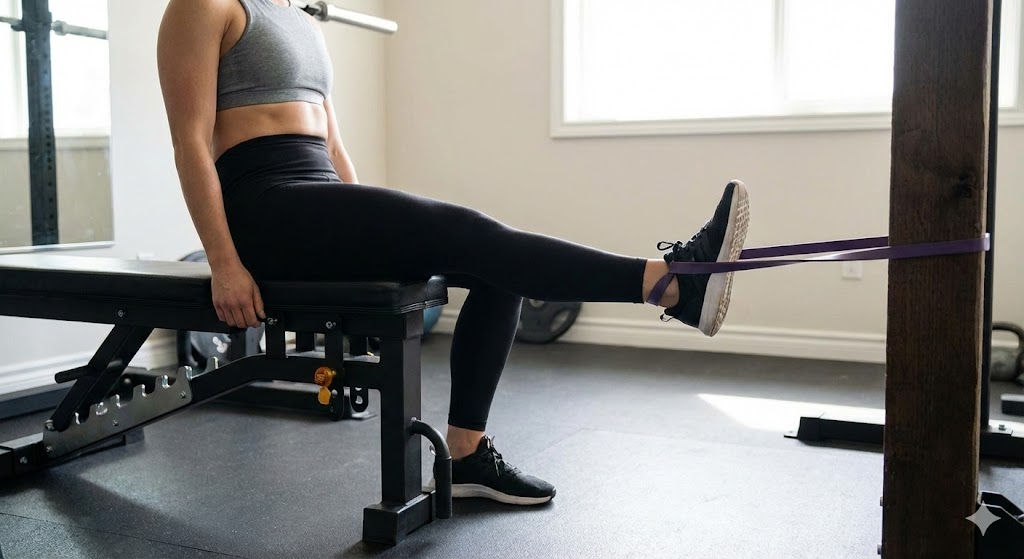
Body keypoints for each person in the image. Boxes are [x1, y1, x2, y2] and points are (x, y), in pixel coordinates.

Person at [156, 0, 750, 506]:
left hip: (319, 203)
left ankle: (464, 455)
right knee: (473, 231)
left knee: (494, 264)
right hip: (266, 210)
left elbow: (334, 146)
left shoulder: (298, 19)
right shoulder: (204, 5)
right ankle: (671, 284)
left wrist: (362, 232)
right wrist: (225, 263)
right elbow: (189, 142)